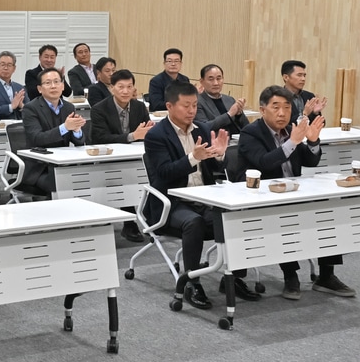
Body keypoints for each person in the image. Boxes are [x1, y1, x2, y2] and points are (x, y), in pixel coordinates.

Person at [238, 86, 351, 298]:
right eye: (276, 107)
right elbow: (264, 163)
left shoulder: (292, 129)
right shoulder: (250, 133)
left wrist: (314, 140)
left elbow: (311, 160)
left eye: (287, 107)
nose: (282, 113)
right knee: (284, 217)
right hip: (262, 196)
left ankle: (327, 275)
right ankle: (290, 276)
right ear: (263, 110)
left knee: (329, 210)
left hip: (294, 191)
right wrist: (293, 142)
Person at [142, 82, 230, 311]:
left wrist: (219, 156)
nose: (191, 111)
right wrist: (193, 158)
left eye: (194, 105)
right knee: (194, 222)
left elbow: (215, 169)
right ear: (169, 106)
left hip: (204, 198)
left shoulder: (200, 130)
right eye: (186, 106)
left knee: (230, 217)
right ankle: (191, 282)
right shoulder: (156, 136)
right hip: (172, 203)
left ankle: (234, 277)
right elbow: (164, 173)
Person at [89, 68, 150, 242]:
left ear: (134, 89)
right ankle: (129, 223)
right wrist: (132, 136)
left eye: (129, 87)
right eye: (120, 87)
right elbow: (99, 138)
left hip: (133, 156)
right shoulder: (99, 109)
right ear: (112, 88)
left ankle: (150, 220)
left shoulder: (139, 106)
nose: (125, 91)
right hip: (108, 158)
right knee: (124, 177)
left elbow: (144, 133)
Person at [18, 68, 88, 196]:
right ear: (39, 89)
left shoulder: (69, 107)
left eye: (57, 82)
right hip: (40, 168)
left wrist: (77, 130)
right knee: (62, 184)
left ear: (62, 86)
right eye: (48, 83)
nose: (53, 86)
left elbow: (79, 142)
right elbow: (37, 138)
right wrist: (65, 127)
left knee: (86, 179)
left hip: (63, 164)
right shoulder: (31, 109)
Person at [195, 64, 249, 135]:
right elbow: (204, 127)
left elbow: (246, 126)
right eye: (211, 79)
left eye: (219, 78)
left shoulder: (229, 99)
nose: (216, 83)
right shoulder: (197, 102)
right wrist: (229, 114)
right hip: (218, 143)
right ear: (202, 81)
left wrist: (239, 114)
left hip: (239, 140)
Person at [0, 51, 27, 120]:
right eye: (2, 65)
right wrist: (11, 107)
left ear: (14, 68)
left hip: (19, 127)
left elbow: (31, 110)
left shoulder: (20, 88)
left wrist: (22, 106)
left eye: (9, 65)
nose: (6, 68)